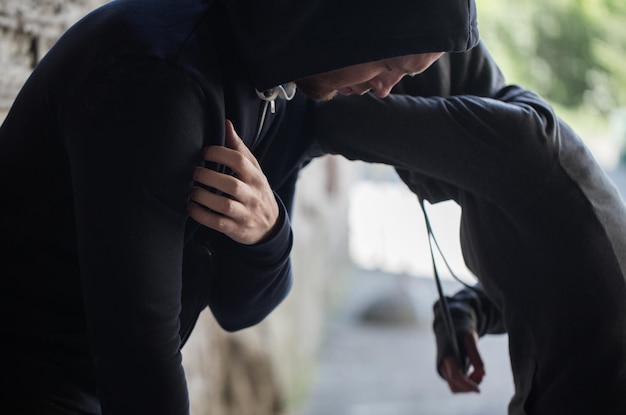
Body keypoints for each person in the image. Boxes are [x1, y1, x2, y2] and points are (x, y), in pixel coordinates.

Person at [0, 0, 480, 413]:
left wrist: (269, 233)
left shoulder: (289, 82)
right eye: (391, 65)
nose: (385, 89)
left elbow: (239, 307)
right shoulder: (161, 80)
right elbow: (138, 357)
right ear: (352, 20)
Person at [313, 40, 626, 414]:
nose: (379, 88)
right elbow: (547, 287)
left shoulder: (518, 141)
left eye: (396, 73)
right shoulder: (506, 154)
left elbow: (336, 118)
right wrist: (463, 314)